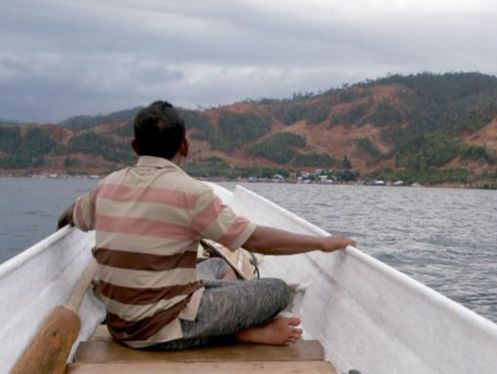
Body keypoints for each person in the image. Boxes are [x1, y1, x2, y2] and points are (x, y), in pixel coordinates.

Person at [57, 100, 355, 350]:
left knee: (215, 267)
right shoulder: (191, 193)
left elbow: (71, 214)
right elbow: (254, 240)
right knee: (276, 291)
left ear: (135, 146)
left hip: (119, 326)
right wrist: (320, 243)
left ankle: (223, 318)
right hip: (158, 332)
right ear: (184, 146)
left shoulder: (106, 186)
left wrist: (61, 226)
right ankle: (238, 332)